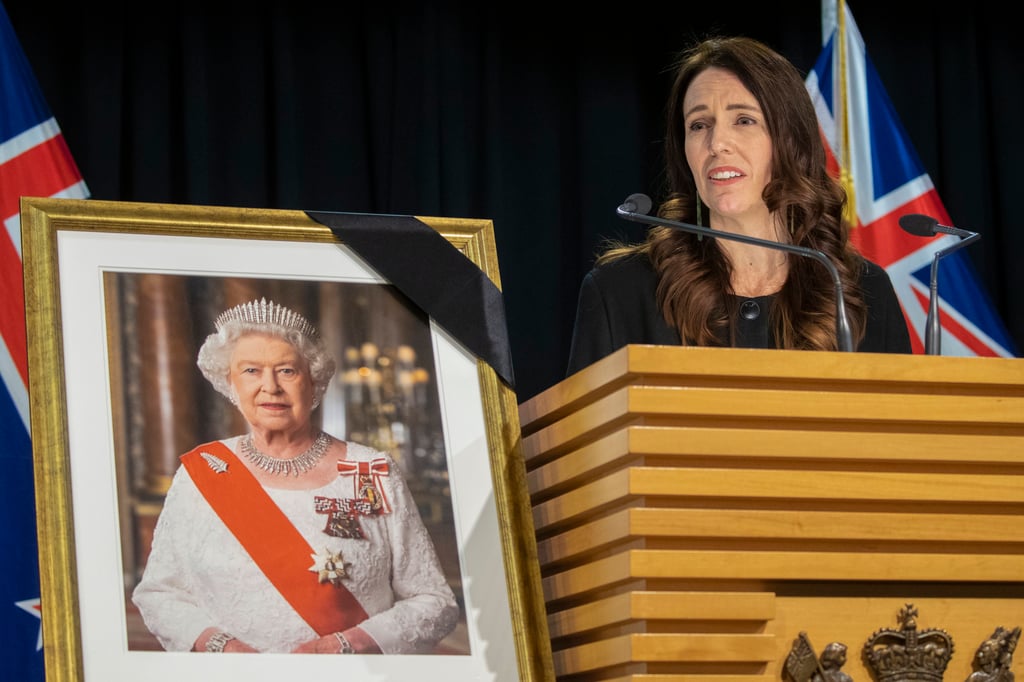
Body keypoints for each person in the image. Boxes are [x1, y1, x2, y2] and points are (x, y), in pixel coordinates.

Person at [566, 36, 912, 376]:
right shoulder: (620, 292)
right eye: (699, 125)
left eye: (743, 120)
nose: (717, 144)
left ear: (790, 142)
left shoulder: (862, 291)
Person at [132, 297, 459, 654]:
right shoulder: (203, 472)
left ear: (313, 380)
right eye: (251, 371)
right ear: (231, 383)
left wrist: (349, 644)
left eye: (287, 370)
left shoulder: (369, 470)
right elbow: (159, 594)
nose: (270, 386)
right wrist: (222, 647)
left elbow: (434, 602)